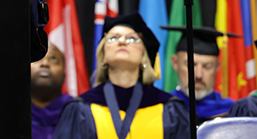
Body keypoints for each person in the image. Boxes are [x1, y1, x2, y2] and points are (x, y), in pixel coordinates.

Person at [54, 13, 189, 138]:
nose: (122, 41)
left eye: (132, 39)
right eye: (113, 38)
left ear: (144, 56)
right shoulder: (80, 108)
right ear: (103, 57)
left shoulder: (170, 108)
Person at [162, 25, 235, 123]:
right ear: (175, 63)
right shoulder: (162, 109)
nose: (198, 75)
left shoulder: (231, 111)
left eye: (207, 66)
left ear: (217, 66)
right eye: (191, 65)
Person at [31, 43, 73, 139]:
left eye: (53, 59)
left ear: (64, 75)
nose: (45, 64)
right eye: (37, 58)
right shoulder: (10, 115)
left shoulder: (80, 113)